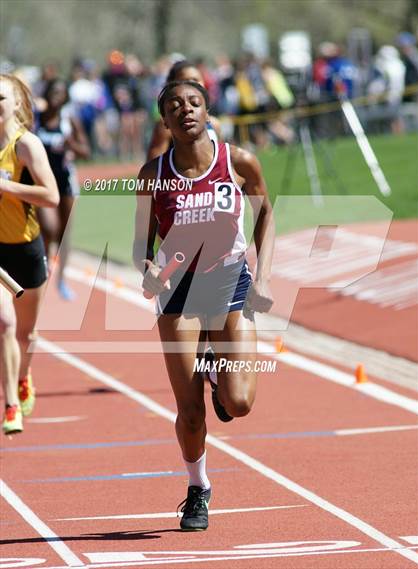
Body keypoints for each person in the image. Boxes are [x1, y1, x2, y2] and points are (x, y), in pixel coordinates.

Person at [133, 80, 274, 530]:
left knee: (240, 402)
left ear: (208, 111)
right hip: (179, 294)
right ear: (165, 119)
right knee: (190, 412)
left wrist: (264, 274)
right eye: (175, 106)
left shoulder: (237, 161)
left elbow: (266, 212)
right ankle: (198, 488)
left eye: (194, 103)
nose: (185, 110)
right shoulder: (152, 176)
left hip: (230, 282)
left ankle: (217, 373)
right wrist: (149, 270)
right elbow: (141, 244)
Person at [0, 74, 59, 434]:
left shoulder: (26, 145)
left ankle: (22, 377)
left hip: (26, 248)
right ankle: (9, 406)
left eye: (0, 98)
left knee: (26, 333)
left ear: (16, 104)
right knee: (4, 324)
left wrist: (6, 186)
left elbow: (50, 195)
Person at [36, 78, 90, 300]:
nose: (56, 96)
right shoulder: (35, 120)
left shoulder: (70, 121)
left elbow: (86, 152)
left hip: (65, 181)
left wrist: (72, 145)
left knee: (65, 234)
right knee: (50, 229)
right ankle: (43, 268)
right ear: (46, 95)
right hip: (41, 182)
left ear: (66, 97)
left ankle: (61, 280)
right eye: (53, 91)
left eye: (61, 92)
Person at [146, 60, 221, 161]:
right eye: (185, 80)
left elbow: (221, 161)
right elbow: (154, 166)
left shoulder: (215, 124)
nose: (191, 84)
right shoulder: (166, 126)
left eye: (195, 79)